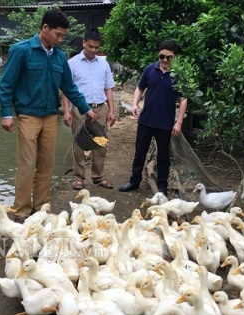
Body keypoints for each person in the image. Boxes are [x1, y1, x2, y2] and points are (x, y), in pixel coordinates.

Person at [0, 9, 96, 223]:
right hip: (28, 116)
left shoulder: (60, 57)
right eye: (57, 35)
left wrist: (86, 108)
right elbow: (5, 84)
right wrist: (7, 113)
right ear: (44, 28)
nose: (60, 40)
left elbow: (69, 88)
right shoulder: (21, 51)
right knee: (26, 163)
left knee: (46, 164)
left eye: (63, 36)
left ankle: (41, 208)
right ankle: (22, 211)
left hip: (50, 116)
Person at [118, 39, 187, 197]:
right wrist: (135, 104)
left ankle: (162, 186)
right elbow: (140, 88)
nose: (164, 60)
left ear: (175, 58)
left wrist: (179, 122)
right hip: (146, 120)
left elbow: (183, 99)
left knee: (163, 155)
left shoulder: (178, 75)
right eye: (161, 56)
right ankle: (134, 181)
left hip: (165, 123)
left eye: (169, 57)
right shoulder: (150, 70)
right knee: (139, 152)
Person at [62, 28, 115, 190]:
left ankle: (98, 177)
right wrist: (66, 110)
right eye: (90, 46)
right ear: (83, 43)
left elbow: (108, 88)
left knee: (101, 143)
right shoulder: (72, 64)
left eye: (96, 47)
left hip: (100, 108)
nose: (93, 50)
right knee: (79, 143)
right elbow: (66, 89)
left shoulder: (104, 64)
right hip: (80, 109)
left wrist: (111, 110)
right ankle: (79, 177)